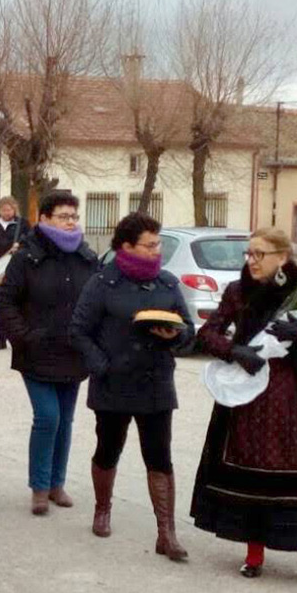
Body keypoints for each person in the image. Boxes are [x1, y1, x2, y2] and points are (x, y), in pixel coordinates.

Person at [190, 228, 297, 582]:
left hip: (292, 399)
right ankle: (254, 552)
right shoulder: (237, 291)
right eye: (249, 254)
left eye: (259, 254)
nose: (252, 261)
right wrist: (235, 351)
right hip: (248, 397)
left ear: (282, 257)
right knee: (248, 469)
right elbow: (208, 333)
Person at [70, 212, 195, 561]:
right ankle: (102, 508)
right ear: (126, 246)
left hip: (155, 382)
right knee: (109, 448)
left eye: (159, 244)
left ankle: (166, 533)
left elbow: (189, 331)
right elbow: (78, 330)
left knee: (160, 456)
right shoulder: (102, 283)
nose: (157, 250)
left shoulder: (168, 284)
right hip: (113, 382)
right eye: (150, 244)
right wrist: (101, 365)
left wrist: (177, 336)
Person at [0, 193, 98, 515]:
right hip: (36, 351)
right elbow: (6, 302)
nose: (71, 222)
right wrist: (23, 337)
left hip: (72, 352)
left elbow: (97, 301)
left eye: (74, 217)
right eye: (64, 216)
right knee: (48, 417)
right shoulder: (26, 257)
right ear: (45, 219)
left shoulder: (86, 256)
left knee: (65, 420)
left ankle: (56, 484)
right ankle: (39, 487)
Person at [0, 196, 29, 350]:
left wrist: (20, 246)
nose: (6, 213)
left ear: (14, 209)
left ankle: (18, 337)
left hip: (17, 267)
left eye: (9, 210)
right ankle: (0, 338)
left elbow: (31, 241)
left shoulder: (23, 224)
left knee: (18, 303)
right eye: (3, 210)